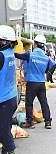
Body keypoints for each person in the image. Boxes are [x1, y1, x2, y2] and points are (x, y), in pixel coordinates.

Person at [14, 34, 52, 129]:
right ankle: (48, 122)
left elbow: (18, 55)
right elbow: (46, 70)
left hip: (32, 82)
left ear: (35, 44)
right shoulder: (46, 58)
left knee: (29, 102)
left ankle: (29, 122)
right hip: (41, 83)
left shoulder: (30, 55)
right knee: (44, 102)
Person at [0, 25, 17, 154]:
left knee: (4, 131)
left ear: (4, 41)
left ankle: (10, 151)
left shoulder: (1, 55)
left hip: (3, 99)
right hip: (10, 97)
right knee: (5, 127)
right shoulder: (10, 53)